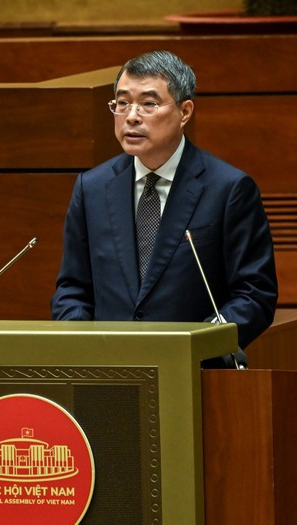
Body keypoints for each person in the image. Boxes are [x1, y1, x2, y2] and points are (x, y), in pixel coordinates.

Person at [50, 50, 277, 366]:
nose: (131, 116)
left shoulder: (228, 189)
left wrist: (200, 345)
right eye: (122, 102)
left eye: (148, 104)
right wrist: (85, 345)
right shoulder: (92, 187)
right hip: (109, 375)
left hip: (194, 374)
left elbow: (254, 295)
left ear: (185, 111)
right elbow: (72, 289)